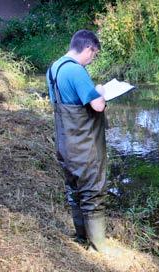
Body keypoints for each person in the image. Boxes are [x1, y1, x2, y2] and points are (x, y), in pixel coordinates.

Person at [46, 30, 109, 252]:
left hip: (65, 143)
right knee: (92, 192)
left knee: (74, 190)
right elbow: (97, 105)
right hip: (85, 145)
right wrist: (100, 90)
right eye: (94, 54)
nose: (93, 59)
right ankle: (98, 246)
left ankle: (81, 237)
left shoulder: (54, 68)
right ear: (89, 48)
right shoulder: (76, 71)